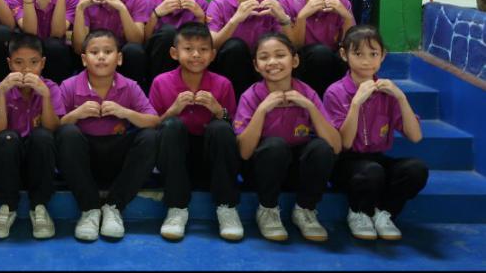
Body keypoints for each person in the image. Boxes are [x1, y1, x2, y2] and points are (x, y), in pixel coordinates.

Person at [323, 25, 427, 241]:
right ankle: (358, 212)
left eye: (373, 54)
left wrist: (401, 98)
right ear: (344, 54)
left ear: (383, 56)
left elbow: (416, 137)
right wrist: (356, 103)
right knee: (371, 171)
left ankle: (384, 213)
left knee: (416, 169)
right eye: (358, 54)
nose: (366, 61)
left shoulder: (388, 91)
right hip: (345, 163)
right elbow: (345, 143)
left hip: (377, 159)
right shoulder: (335, 91)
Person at [234, 33, 341, 242]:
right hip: (263, 171)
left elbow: (335, 147)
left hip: (297, 172)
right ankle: (267, 210)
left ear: (295, 60)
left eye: (280, 55)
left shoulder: (307, 93)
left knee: (321, 148)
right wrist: (261, 111)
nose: (272, 62)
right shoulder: (251, 96)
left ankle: (305, 210)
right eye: (264, 57)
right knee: (275, 145)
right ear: (256, 66)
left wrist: (310, 107)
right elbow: (244, 153)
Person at [56, 30, 160, 241]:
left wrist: (125, 112)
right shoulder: (69, 85)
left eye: (108, 51)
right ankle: (89, 209)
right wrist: (77, 114)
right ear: (84, 59)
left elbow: (154, 121)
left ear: (119, 58)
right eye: (94, 52)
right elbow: (53, 127)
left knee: (150, 137)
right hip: (84, 160)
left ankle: (114, 207)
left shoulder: (129, 86)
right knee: (67, 133)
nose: (101, 57)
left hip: (117, 157)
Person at [150, 23, 241, 241]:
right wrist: (172, 111)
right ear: (174, 53)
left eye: (203, 49)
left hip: (210, 160)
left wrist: (219, 111)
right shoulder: (161, 82)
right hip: (175, 159)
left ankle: (227, 207)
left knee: (221, 128)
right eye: (188, 49)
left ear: (213, 55)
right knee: (171, 126)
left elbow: (235, 129)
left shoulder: (223, 84)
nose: (196, 55)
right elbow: (152, 128)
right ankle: (176, 207)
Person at [0, 33, 62, 240]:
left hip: (39, 161)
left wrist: (45, 96)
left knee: (43, 136)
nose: (26, 69)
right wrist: (1, 94)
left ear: (43, 63)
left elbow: (53, 128)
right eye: (19, 63)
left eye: (33, 63)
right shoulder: (1, 89)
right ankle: (7, 206)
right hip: (10, 160)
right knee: (7, 138)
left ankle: (39, 206)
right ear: (9, 64)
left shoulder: (51, 88)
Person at [206, 0, 293, 98]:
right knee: (235, 46)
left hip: (262, 66)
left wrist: (283, 18)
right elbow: (212, 45)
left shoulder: (271, 5)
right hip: (228, 67)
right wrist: (235, 20)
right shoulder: (218, 4)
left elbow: (290, 47)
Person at [279, 0, 355, 96]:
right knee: (320, 53)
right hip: (300, 64)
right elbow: (294, 47)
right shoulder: (286, 2)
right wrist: (302, 17)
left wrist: (346, 17)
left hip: (332, 64)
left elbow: (350, 45)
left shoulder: (342, 3)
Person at [73, 0, 151, 91]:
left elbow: (137, 41)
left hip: (125, 60)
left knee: (134, 50)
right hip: (95, 58)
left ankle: (133, 94)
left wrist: (121, 7)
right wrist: (79, 9)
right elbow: (79, 48)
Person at [144, 0, 208, 80]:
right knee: (168, 32)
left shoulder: (199, 3)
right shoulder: (147, 1)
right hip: (156, 61)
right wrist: (155, 14)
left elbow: (205, 43)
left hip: (191, 58)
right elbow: (144, 40)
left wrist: (201, 17)